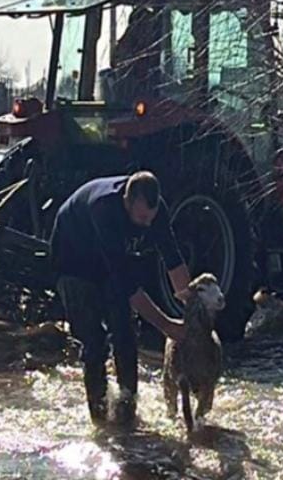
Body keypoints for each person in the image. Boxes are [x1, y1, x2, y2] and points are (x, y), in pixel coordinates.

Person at [51, 171, 192, 426]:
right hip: (74, 259)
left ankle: (128, 411)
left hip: (109, 261)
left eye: (150, 218)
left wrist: (192, 309)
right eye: (141, 218)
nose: (147, 225)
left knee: (126, 334)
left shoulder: (155, 209)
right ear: (127, 202)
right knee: (94, 343)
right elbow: (127, 284)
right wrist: (167, 326)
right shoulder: (104, 208)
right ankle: (100, 418)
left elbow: (172, 257)